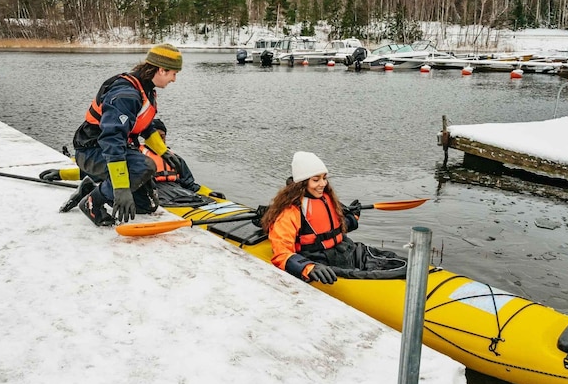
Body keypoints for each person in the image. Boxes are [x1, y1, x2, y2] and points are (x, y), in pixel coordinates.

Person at [55, 43, 185, 226]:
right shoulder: (126, 94)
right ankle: (92, 203)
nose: (174, 79)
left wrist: (164, 152)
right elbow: (111, 140)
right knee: (144, 166)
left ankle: (92, 187)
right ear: (162, 70)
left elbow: (145, 126)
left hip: (112, 150)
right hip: (93, 150)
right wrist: (122, 188)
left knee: (146, 205)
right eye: (174, 73)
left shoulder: (145, 88)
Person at [259, 151, 407, 285]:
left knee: (401, 264)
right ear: (302, 183)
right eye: (316, 180)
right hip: (318, 260)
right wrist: (308, 267)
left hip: (345, 250)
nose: (322, 184)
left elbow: (335, 229)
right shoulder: (290, 211)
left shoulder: (326, 198)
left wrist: (353, 218)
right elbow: (281, 253)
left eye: (324, 178)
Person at [141, 118, 225, 200]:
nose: (160, 141)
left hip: (177, 191)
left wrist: (209, 193)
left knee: (194, 197)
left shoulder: (174, 159)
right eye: (157, 137)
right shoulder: (138, 156)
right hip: (154, 192)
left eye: (162, 137)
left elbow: (189, 185)